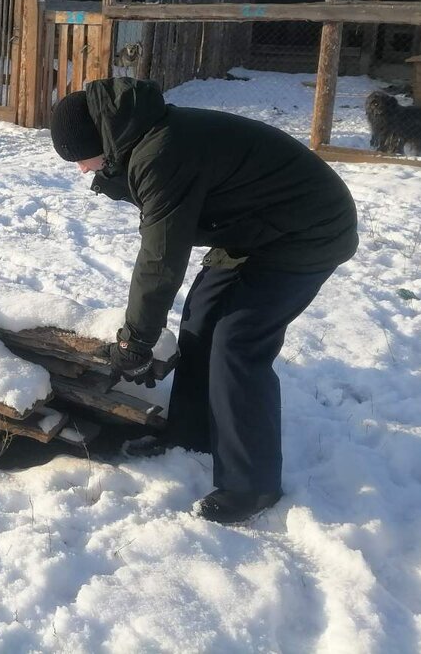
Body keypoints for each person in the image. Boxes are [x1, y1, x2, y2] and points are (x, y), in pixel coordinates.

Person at [50, 77, 357, 523]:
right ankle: (192, 435)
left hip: (308, 230)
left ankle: (251, 487)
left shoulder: (160, 153)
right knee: (201, 318)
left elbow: (161, 257)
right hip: (253, 224)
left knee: (237, 341)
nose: (82, 170)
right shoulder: (140, 136)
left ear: (103, 137)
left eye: (81, 158)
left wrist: (136, 341)